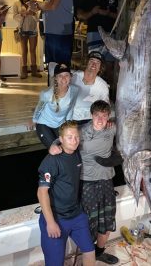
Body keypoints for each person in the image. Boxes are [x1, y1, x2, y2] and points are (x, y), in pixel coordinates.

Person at [49, 101, 122, 264]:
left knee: (108, 219)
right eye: (97, 115)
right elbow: (60, 139)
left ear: (109, 116)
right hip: (87, 183)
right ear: (91, 115)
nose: (101, 119)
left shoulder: (112, 128)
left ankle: (100, 252)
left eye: (104, 116)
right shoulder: (81, 131)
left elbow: (132, 130)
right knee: (88, 223)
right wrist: (53, 147)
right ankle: (86, 255)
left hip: (107, 181)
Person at [37, 120, 96, 266]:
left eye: (76, 137)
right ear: (61, 139)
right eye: (69, 137)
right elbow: (41, 192)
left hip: (76, 215)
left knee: (90, 251)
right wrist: (50, 223)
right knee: (55, 263)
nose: (74, 141)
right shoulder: (52, 160)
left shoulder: (77, 153)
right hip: (56, 218)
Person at [28, 0, 74, 78]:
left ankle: (61, 95)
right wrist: (37, 7)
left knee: (61, 69)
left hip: (61, 33)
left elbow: (52, 5)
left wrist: (37, 4)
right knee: (53, 68)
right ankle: (53, 94)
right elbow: (47, 5)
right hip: (53, 33)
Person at [77, 0, 118, 82]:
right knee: (94, 63)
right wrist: (92, 12)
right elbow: (80, 14)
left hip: (111, 33)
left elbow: (122, 16)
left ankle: (108, 93)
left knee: (110, 65)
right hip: (94, 33)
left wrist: (109, 13)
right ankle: (93, 89)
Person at [31, 63, 79, 148]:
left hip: (60, 123)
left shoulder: (75, 90)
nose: (64, 78)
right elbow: (39, 107)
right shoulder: (46, 94)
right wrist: (34, 120)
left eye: (66, 75)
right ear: (55, 78)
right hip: (44, 123)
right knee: (55, 148)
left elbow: (71, 107)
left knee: (67, 146)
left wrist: (69, 123)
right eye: (60, 76)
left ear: (70, 77)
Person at [70, 51, 109, 125]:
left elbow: (105, 105)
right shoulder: (74, 77)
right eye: (91, 61)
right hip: (72, 118)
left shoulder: (103, 85)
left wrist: (107, 119)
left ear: (100, 68)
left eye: (98, 62)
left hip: (90, 121)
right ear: (86, 63)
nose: (94, 64)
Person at [13, 0, 42, 79]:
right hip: (22, 30)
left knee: (33, 50)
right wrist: (23, 14)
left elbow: (37, 19)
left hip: (33, 30)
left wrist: (33, 14)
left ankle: (34, 71)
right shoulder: (16, 3)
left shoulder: (34, 3)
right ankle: (24, 72)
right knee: (24, 51)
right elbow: (14, 16)